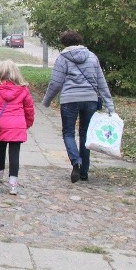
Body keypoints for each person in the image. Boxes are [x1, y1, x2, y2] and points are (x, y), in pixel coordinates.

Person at [42, 30, 115, 183]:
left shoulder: (62, 58)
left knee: (68, 133)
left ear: (64, 43)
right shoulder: (92, 57)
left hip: (69, 100)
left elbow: (56, 83)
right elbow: (101, 82)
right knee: (85, 134)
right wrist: (109, 104)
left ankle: (76, 161)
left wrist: (47, 100)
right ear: (79, 41)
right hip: (90, 100)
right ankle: (84, 172)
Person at [0, 60, 35, 195]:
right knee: (14, 153)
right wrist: (28, 123)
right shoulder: (23, 90)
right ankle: (13, 183)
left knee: (1, 147)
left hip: (2, 124)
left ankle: (0, 172)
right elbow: (29, 109)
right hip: (18, 124)